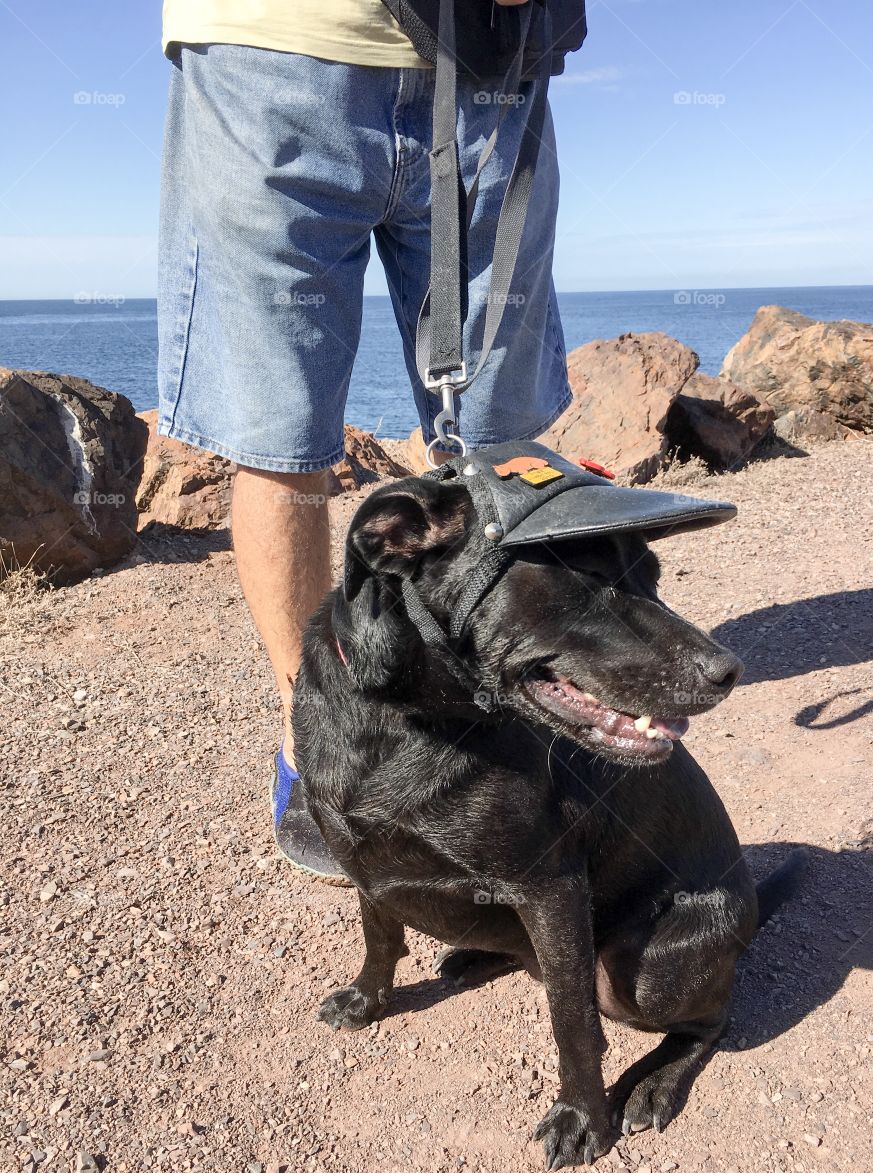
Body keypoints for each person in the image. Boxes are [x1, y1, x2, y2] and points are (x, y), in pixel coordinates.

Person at [157, 0, 571, 881]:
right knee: (280, 438)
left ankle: (502, 695)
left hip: (493, 63)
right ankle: (314, 727)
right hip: (274, 50)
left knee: (496, 435)